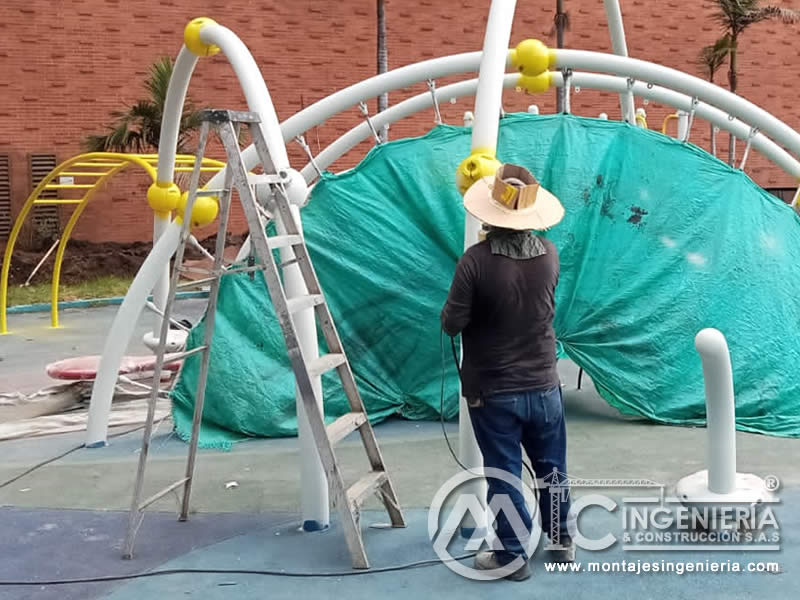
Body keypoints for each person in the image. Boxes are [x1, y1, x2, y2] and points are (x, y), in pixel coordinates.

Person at [441, 163, 573, 581]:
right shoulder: (550, 255)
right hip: (545, 385)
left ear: (490, 213)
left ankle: (512, 556)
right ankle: (560, 542)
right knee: (552, 468)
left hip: (494, 391)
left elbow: (451, 323)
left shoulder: (475, 262)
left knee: (503, 473)